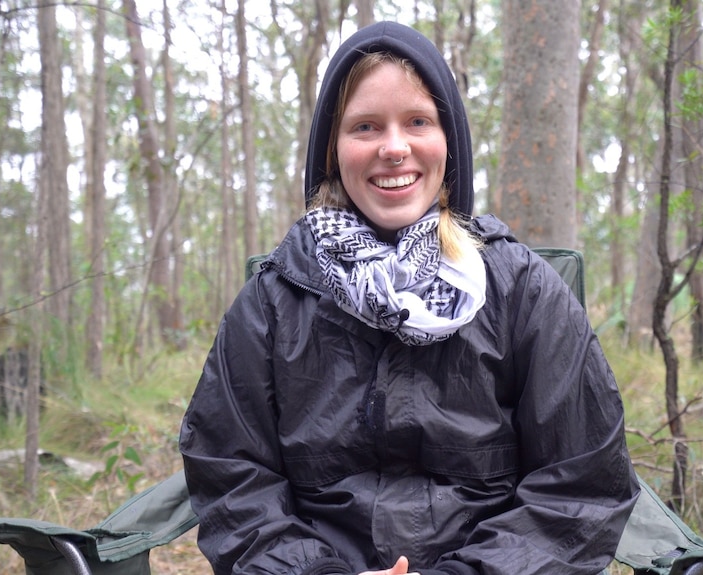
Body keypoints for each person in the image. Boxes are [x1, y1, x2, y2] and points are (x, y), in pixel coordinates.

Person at [180, 21, 639, 575]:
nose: (394, 148)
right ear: (332, 149)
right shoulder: (275, 299)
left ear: (450, 141)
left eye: (418, 121)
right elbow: (233, 479)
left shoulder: (520, 288)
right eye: (365, 126)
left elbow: (582, 485)